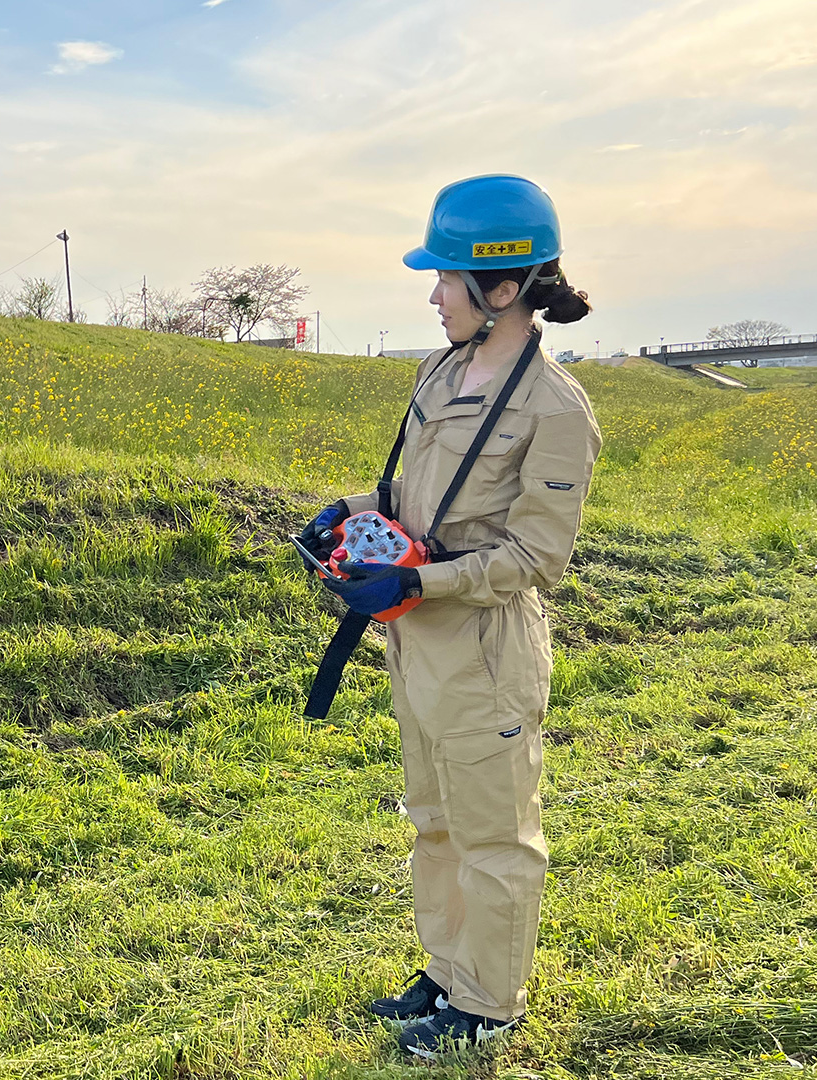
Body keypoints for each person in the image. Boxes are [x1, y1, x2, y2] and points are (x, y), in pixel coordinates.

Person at [296, 175, 601, 1060]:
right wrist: (349, 511)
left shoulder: (556, 409)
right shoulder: (441, 365)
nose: (432, 297)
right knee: (433, 819)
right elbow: (411, 493)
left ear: (503, 288)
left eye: (446, 280)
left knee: (494, 834)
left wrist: (420, 587)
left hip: (483, 649)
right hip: (415, 642)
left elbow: (536, 560)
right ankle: (448, 973)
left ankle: (490, 1005)